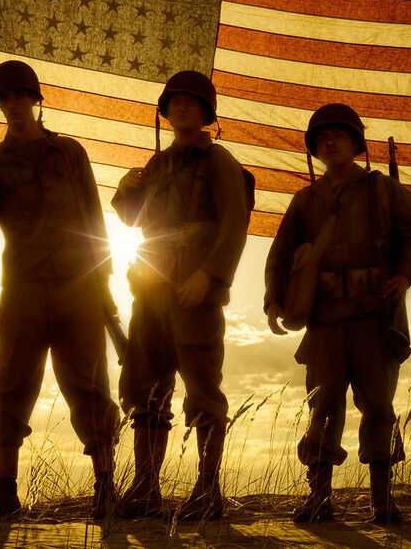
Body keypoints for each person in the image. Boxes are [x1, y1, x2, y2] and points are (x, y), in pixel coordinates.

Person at [0, 60, 121, 518]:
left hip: (79, 286)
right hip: (23, 288)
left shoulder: (71, 154)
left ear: (36, 99)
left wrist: (103, 282)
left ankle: (105, 488)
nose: (13, 105)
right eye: (3, 99)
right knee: (10, 385)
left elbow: (94, 219)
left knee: (90, 384)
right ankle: (5, 493)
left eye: (19, 96)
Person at [265, 103, 411, 524]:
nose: (330, 140)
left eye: (340, 134)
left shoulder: (382, 190)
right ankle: (319, 497)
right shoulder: (306, 200)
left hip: (374, 315)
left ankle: (382, 498)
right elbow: (280, 254)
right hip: (324, 318)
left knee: (378, 404)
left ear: (357, 143)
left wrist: (405, 276)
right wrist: (273, 300)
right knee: (322, 406)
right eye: (323, 136)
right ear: (314, 148)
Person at [111, 70, 249, 521]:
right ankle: (146, 489)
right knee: (145, 389)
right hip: (150, 291)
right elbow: (135, 222)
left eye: (192, 101)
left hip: (193, 291)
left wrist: (210, 276)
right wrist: (124, 194)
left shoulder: (218, 161)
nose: (182, 107)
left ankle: (208, 492)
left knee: (203, 392)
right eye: (175, 101)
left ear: (206, 111)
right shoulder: (157, 165)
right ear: (165, 110)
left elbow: (234, 224)